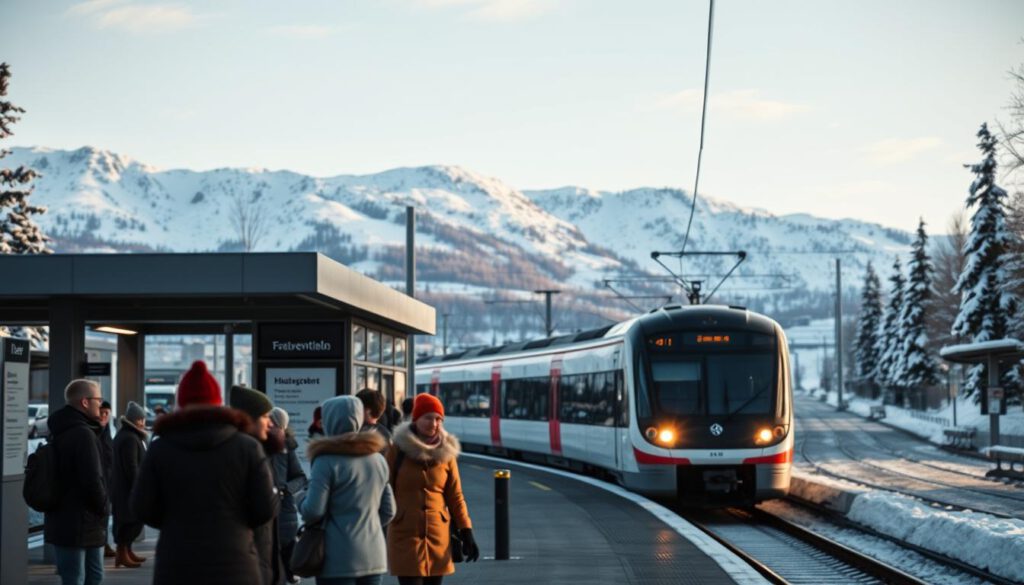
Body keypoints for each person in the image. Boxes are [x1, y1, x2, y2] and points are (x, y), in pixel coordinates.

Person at [131, 361, 278, 585]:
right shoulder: (247, 447)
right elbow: (264, 509)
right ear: (218, 404)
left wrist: (175, 522)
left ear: (181, 404)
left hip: (177, 564)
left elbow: (142, 507)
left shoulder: (161, 448)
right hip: (235, 564)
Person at [300, 395, 396, 585]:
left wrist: (299, 499)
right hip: (374, 557)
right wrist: (369, 525)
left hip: (337, 559)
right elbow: (389, 510)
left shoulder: (325, 461)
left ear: (329, 420)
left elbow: (313, 511)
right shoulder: (377, 460)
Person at [387, 393, 478, 585]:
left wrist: (466, 530)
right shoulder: (398, 449)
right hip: (405, 533)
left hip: (438, 535)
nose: (434, 423)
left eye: (438, 419)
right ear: (416, 418)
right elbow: (385, 488)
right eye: (428, 417)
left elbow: (455, 496)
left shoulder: (447, 452)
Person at [44, 379, 109, 585]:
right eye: (98, 399)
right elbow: (92, 479)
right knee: (86, 577)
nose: (101, 404)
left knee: (77, 576)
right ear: (84, 402)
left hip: (65, 519)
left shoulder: (61, 429)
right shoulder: (83, 434)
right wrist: (104, 507)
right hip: (84, 520)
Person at [231, 384, 285, 585]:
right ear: (248, 419)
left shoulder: (262, 452)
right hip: (250, 565)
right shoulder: (247, 456)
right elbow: (265, 510)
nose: (270, 423)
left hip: (264, 561)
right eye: (265, 417)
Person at [269, 407, 307, 585]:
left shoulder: (287, 448)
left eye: (273, 423)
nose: (269, 426)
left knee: (282, 565)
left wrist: (285, 489)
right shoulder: (256, 445)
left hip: (285, 513)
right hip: (267, 513)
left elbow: (300, 478)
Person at [110, 401, 148, 569]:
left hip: (124, 488)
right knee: (128, 522)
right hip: (127, 489)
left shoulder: (128, 435)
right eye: (140, 419)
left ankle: (126, 552)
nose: (143, 422)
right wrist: (139, 487)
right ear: (133, 420)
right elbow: (131, 466)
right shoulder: (130, 438)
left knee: (130, 521)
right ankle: (122, 553)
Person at [98, 401, 115, 559]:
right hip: (99, 480)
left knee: (105, 514)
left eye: (106, 413)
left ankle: (104, 543)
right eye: (101, 412)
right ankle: (102, 544)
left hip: (108, 480)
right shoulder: (95, 433)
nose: (103, 416)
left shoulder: (107, 432)